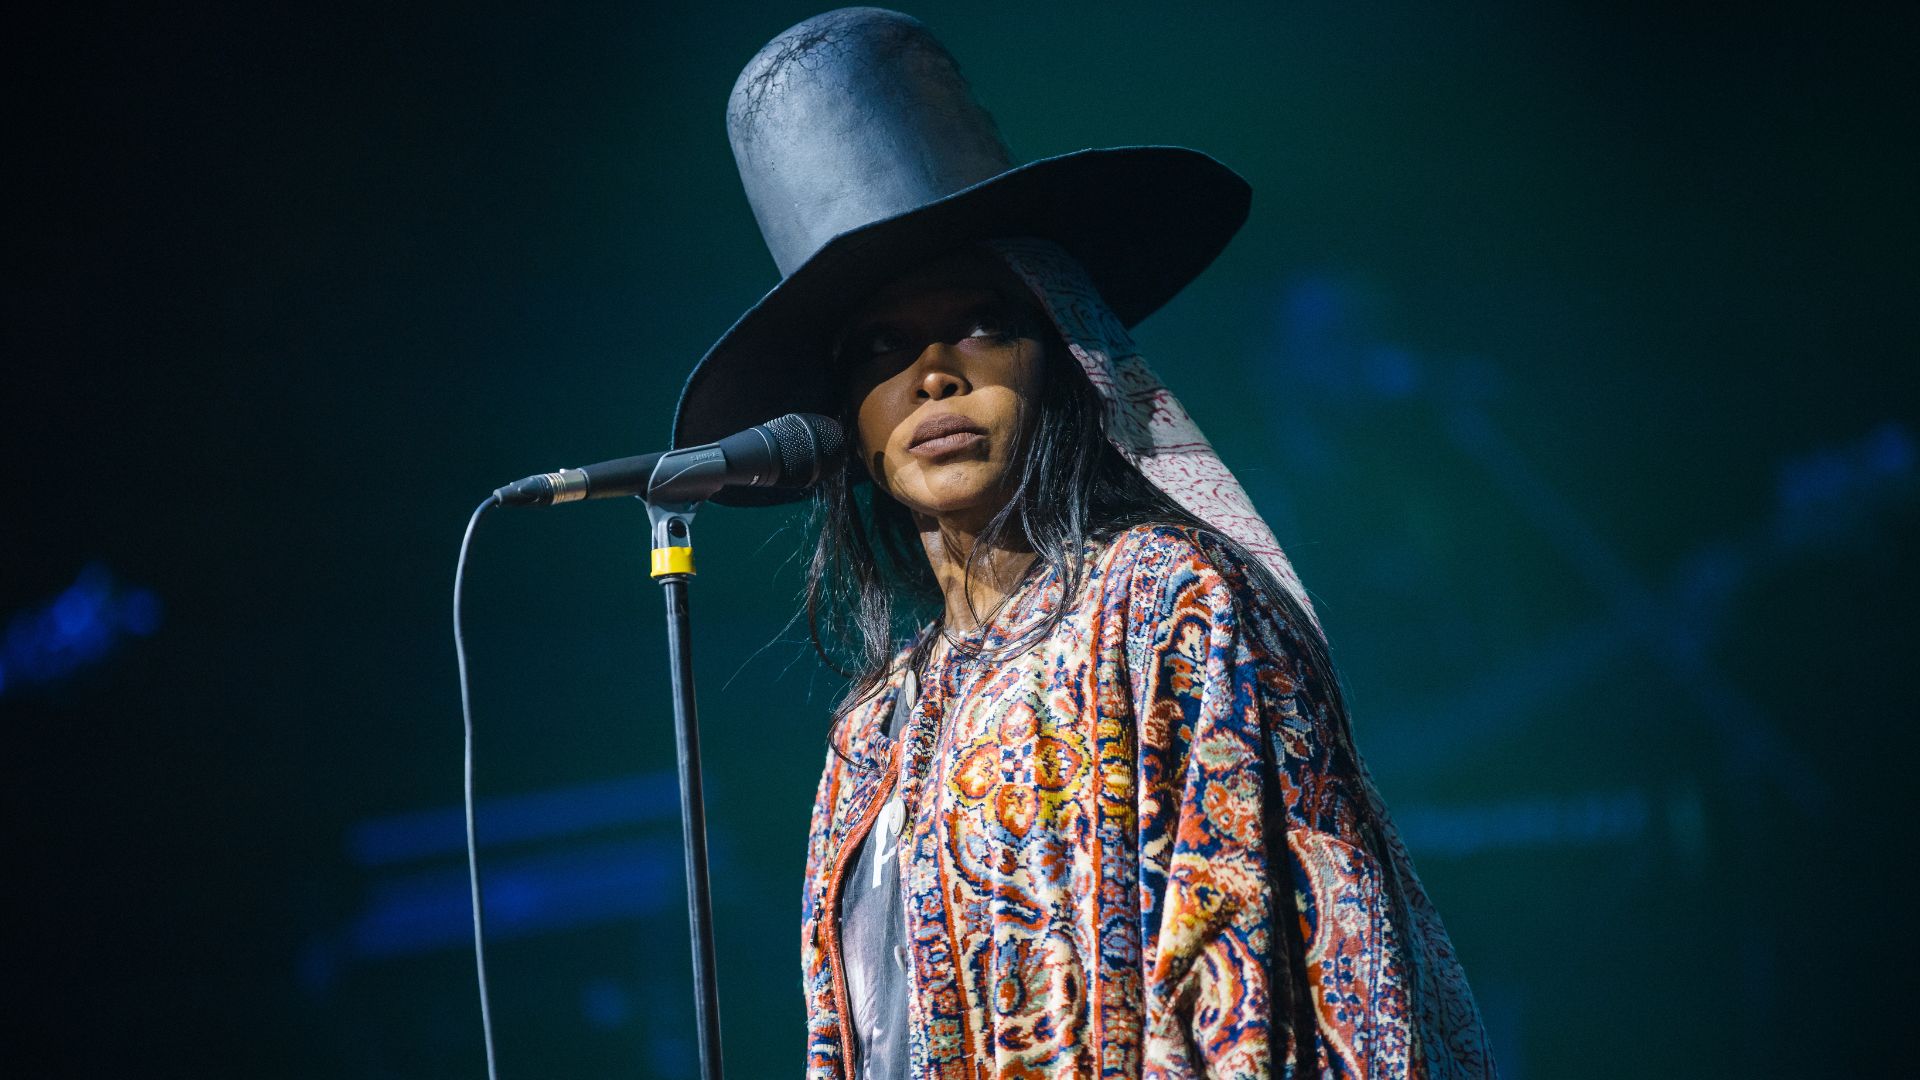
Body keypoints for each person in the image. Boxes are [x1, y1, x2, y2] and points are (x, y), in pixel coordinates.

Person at [670, 9, 1496, 1078]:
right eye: (880, 346)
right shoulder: (868, 736)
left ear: (1063, 347)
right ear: (847, 420)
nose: (933, 376)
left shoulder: (1171, 606)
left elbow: (1255, 984)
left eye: (979, 324)